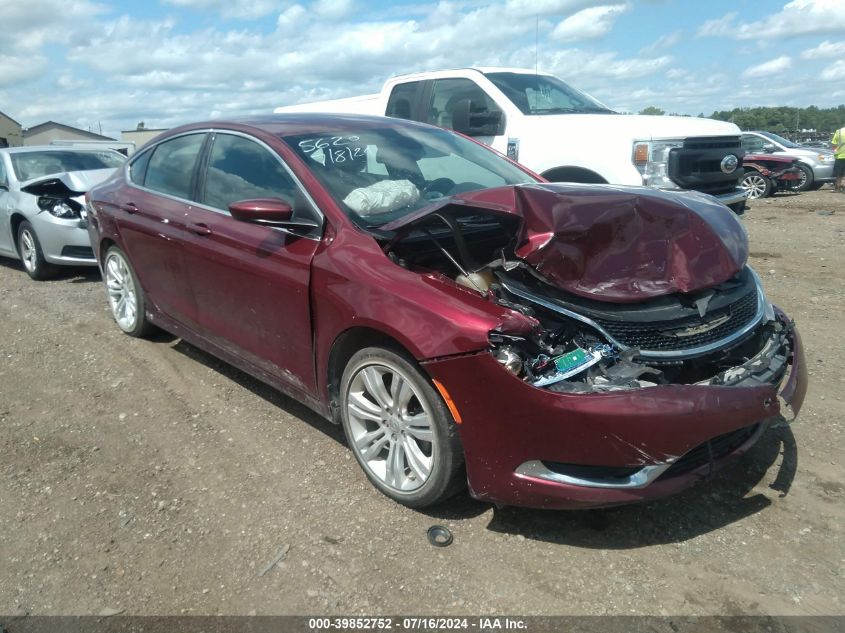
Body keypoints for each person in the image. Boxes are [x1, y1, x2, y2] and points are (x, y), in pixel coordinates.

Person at [833, 124, 845, 193]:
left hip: (840, 156)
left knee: (838, 174)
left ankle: (837, 188)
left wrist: (835, 152)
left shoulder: (839, 131)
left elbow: (834, 144)